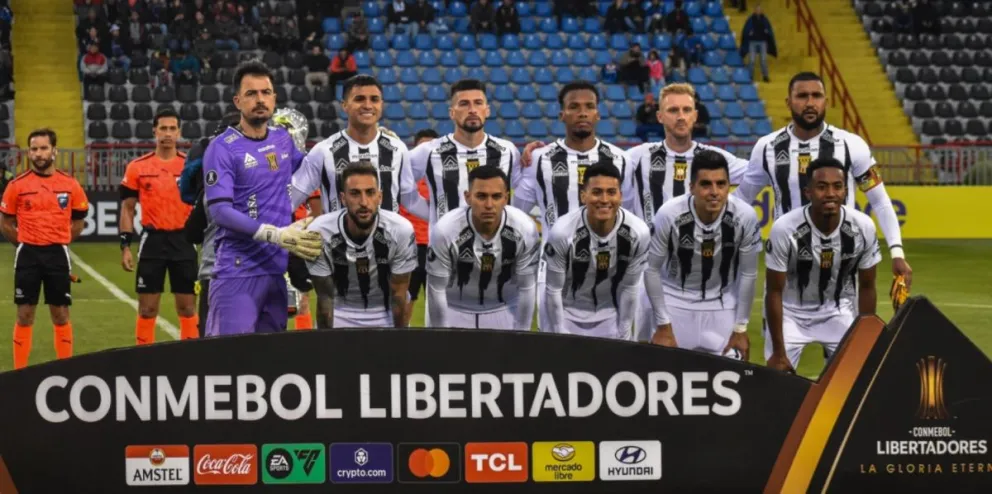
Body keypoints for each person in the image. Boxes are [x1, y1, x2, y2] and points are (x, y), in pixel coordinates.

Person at [732, 72, 912, 289]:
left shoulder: (852, 145)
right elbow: (742, 199)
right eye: (802, 96)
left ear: (826, 101)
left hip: (843, 263)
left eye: (816, 96)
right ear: (789, 102)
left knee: (850, 321)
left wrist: (897, 251)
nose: (810, 103)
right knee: (780, 321)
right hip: (787, 264)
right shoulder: (767, 147)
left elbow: (880, 201)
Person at [202, 59, 323, 336]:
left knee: (269, 365)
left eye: (265, 93)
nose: (260, 100)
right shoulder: (221, 148)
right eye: (251, 93)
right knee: (230, 362)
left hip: (276, 271)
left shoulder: (282, 139)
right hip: (238, 271)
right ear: (237, 101)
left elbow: (310, 170)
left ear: (274, 98)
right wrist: (274, 234)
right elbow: (220, 212)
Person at [512, 82, 634, 332]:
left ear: (597, 114)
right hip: (555, 272)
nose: (582, 113)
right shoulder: (540, 159)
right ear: (562, 115)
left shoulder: (620, 159)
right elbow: (516, 213)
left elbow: (629, 216)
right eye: (574, 107)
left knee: (614, 355)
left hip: (609, 271)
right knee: (557, 356)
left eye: (589, 107)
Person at [763, 157, 881, 371]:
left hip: (837, 311)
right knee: (776, 381)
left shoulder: (863, 227)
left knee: (856, 377)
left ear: (845, 191)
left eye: (837, 187)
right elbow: (773, 292)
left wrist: (865, 338)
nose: (830, 194)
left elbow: (867, 286)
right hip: (791, 314)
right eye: (822, 187)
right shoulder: (785, 229)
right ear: (808, 192)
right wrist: (779, 352)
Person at [643, 150, 761, 360]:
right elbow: (651, 271)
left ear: (728, 186)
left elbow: (748, 274)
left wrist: (741, 328)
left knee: (730, 377)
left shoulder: (745, 216)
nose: (714, 191)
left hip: (722, 303)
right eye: (706, 184)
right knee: (667, 376)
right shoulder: (669, 214)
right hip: (674, 302)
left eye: (721, 184)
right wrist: (662, 324)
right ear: (692, 188)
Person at [0, 129, 89, 369]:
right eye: (34, 149)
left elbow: (79, 221)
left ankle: (66, 369)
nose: (38, 154)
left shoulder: (70, 185)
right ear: (29, 152)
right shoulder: (17, 185)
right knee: (25, 315)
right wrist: (23, 243)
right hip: (28, 253)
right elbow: (6, 222)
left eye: (43, 148)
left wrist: (59, 238)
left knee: (60, 314)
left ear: (54, 151)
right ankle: (20, 373)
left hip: (57, 255)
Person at [291, 75, 426, 219]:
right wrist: (270, 232)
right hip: (338, 240)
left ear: (381, 104)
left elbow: (411, 201)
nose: (368, 105)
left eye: (374, 99)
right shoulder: (323, 151)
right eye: (359, 99)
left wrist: (448, 216)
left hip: (389, 240)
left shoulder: (398, 149)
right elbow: (291, 198)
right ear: (344, 105)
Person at [542, 164, 650, 339]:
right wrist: (558, 329)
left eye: (611, 192)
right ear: (583, 195)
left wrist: (624, 330)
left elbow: (629, 287)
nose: (605, 199)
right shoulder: (562, 231)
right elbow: (554, 289)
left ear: (621, 196)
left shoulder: (638, 232)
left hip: (610, 316)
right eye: (597, 192)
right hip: (566, 313)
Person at [119, 108, 199, 345]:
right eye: (163, 128)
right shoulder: (137, 167)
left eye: (172, 128)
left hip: (184, 242)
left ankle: (189, 358)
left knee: (187, 308)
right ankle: (144, 362)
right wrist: (125, 246)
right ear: (154, 131)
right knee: (147, 309)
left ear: (179, 132)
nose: (167, 133)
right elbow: (128, 208)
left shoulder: (191, 166)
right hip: (152, 241)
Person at [426, 166, 539, 330]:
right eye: (481, 196)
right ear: (467, 197)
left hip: (505, 308)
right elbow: (436, 289)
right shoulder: (445, 230)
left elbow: (527, 287)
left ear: (506, 198)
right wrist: (441, 333)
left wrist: (522, 332)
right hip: (455, 308)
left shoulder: (525, 229)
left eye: (496, 196)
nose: (489, 204)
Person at [306, 164, 417, 328]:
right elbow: (325, 299)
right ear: (343, 198)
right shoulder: (320, 232)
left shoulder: (400, 230)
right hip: (340, 312)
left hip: (384, 312)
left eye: (370, 192)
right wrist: (326, 346)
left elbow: (398, 295)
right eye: (355, 193)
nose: (364, 202)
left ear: (380, 196)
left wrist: (399, 342)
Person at [410, 79, 521, 228]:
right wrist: (434, 214)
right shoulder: (428, 151)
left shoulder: (507, 150)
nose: (472, 109)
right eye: (464, 104)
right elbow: (401, 188)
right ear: (452, 113)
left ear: (487, 110)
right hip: (446, 247)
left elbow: (526, 191)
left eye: (478, 103)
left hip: (497, 247)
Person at [399, 129, 438, 326]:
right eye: (423, 145)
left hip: (436, 245)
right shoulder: (406, 180)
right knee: (407, 297)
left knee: (438, 300)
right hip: (411, 246)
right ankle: (402, 339)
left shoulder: (441, 180)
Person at [739, 3, 777, 83]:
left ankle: (765, 76)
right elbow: (746, 30)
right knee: (752, 60)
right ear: (755, 10)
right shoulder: (751, 19)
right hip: (752, 42)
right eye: (757, 9)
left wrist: (767, 32)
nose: (758, 11)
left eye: (760, 10)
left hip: (763, 42)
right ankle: (750, 76)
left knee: (763, 60)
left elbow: (769, 29)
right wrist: (749, 33)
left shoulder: (765, 19)